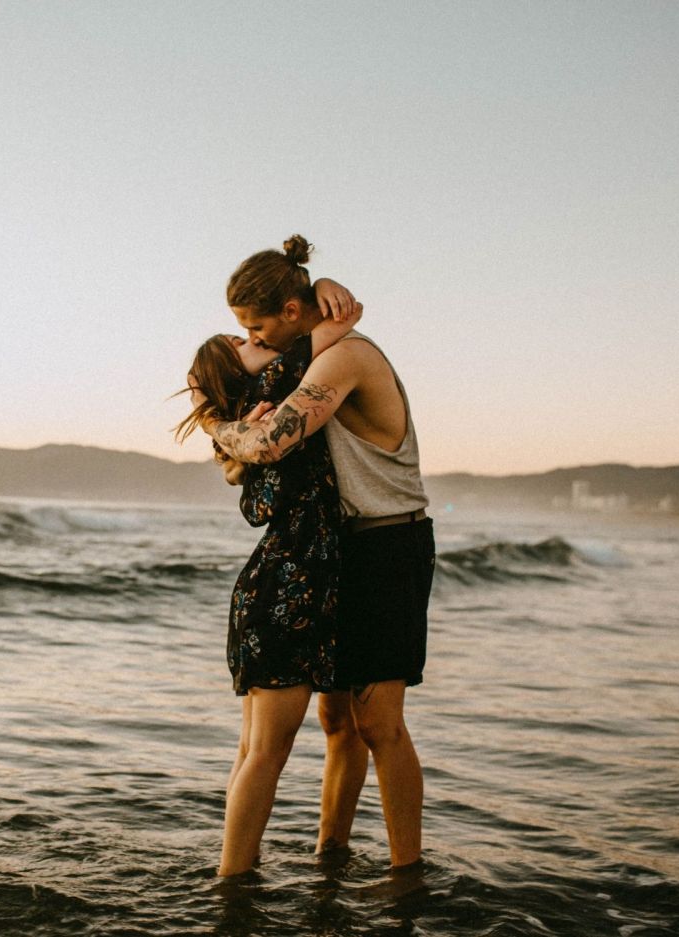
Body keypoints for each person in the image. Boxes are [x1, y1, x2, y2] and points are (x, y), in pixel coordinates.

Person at [199, 235, 434, 872]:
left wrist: (213, 423)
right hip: (335, 547)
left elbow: (272, 439)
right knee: (335, 721)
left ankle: (405, 873)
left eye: (258, 325)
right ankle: (331, 853)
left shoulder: (346, 357)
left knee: (378, 723)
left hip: (387, 542)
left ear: (293, 312)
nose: (254, 338)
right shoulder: (309, 349)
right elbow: (247, 383)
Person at [175, 278, 361, 877]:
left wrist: (314, 278)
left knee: (255, 752)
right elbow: (334, 326)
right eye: (242, 343)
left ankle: (236, 877)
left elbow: (254, 504)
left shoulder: (263, 416)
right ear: (244, 374)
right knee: (265, 755)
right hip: (288, 588)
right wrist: (316, 287)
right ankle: (232, 883)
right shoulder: (277, 390)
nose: (249, 338)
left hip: (275, 583)